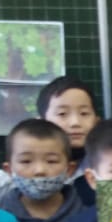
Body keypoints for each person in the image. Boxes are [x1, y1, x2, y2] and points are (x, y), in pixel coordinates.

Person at [37, 76, 100, 206]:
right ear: (42, 122)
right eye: (62, 114)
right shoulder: (32, 173)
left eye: (84, 113)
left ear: (96, 121)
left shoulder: (107, 170)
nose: (75, 122)